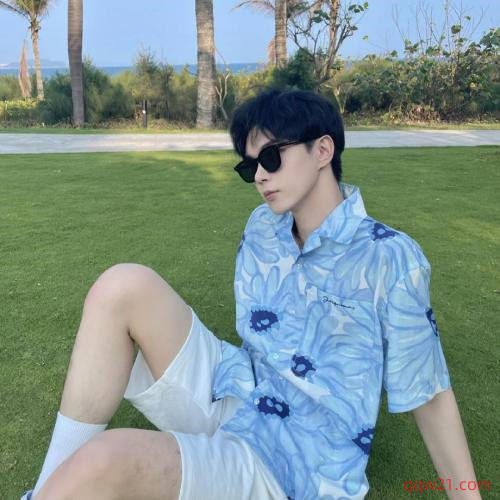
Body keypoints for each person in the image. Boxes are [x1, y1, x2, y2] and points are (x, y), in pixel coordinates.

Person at [22, 89, 480, 500]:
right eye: (249, 166)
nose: (260, 175)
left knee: (110, 459)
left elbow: (430, 393)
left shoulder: (390, 257)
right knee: (122, 286)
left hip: (297, 459)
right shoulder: (264, 227)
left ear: (323, 150)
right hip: (242, 390)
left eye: (272, 158)